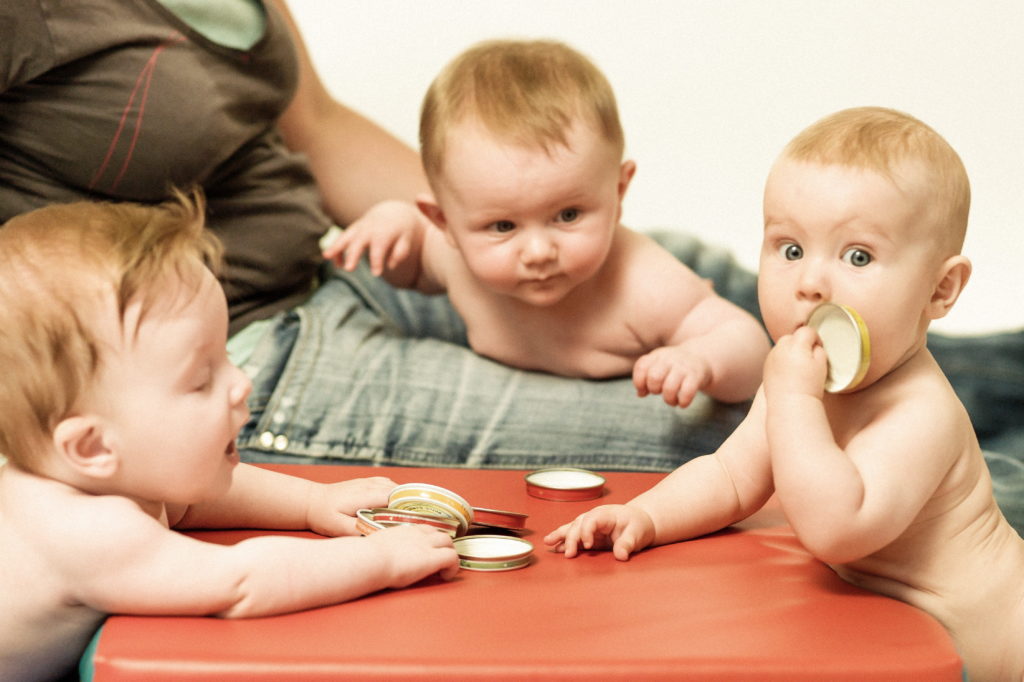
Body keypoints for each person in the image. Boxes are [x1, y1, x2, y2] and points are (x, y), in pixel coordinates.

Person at [0, 2, 1020, 505]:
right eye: (497, 225)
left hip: (341, 262)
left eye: (580, 211)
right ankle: (973, 478)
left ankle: (982, 368)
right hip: (234, 342)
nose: (539, 248)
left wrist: (471, 217)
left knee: (717, 277)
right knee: (730, 432)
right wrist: (467, 230)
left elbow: (310, 120)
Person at [545, 107, 1024, 681]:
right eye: (790, 249)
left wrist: (795, 401)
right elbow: (730, 476)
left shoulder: (921, 413)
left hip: (991, 643)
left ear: (940, 289)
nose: (810, 282)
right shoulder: (797, 376)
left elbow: (836, 529)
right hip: (896, 634)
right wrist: (644, 516)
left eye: (858, 256)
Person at [0, 195, 460, 682]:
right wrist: (379, 559)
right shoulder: (85, 530)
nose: (240, 382)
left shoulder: (116, 474)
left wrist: (311, 501)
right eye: (201, 379)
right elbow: (242, 582)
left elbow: (191, 504)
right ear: (92, 447)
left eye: (225, 356)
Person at [324, 40, 769, 408]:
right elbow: (414, 273)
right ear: (444, 223)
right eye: (502, 226)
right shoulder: (449, 254)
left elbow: (748, 346)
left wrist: (699, 361)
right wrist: (393, 228)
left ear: (618, 190)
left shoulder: (646, 285)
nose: (538, 251)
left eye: (568, 215)